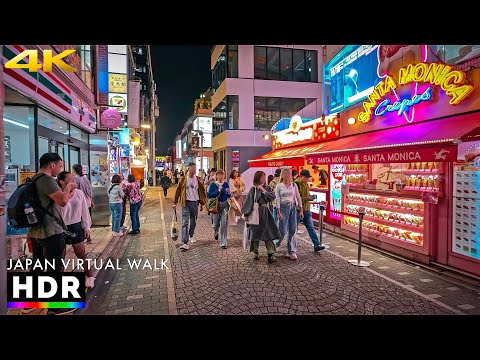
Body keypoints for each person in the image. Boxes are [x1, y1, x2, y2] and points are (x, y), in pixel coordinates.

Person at [27, 153, 76, 315]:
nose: (60, 169)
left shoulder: (34, 179)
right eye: (60, 166)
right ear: (52, 165)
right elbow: (62, 201)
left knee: (38, 267)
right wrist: (68, 188)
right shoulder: (47, 180)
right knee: (54, 268)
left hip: (35, 231)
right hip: (51, 231)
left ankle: (30, 304)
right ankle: (55, 308)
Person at [57, 171, 95, 288]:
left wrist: (87, 227)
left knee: (81, 254)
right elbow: (60, 209)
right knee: (60, 258)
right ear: (62, 181)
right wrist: (67, 191)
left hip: (75, 226)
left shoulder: (79, 193)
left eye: (74, 180)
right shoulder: (57, 195)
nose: (74, 183)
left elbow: (84, 210)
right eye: (71, 180)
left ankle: (90, 276)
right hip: (60, 227)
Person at [242, 171, 281, 264]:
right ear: (258, 178)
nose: (264, 178)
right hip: (256, 214)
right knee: (255, 234)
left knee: (268, 233)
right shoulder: (253, 189)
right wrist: (246, 214)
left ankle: (270, 254)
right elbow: (249, 202)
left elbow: (272, 197)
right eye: (263, 177)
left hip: (265, 213)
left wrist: (263, 190)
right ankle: (255, 252)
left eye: (265, 177)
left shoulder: (267, 188)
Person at [173, 162, 206, 250]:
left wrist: (202, 204)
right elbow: (178, 191)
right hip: (186, 203)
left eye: (195, 168)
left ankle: (191, 235)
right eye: (193, 169)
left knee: (193, 221)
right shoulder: (183, 179)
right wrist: (175, 202)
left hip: (195, 203)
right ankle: (185, 242)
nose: (195, 170)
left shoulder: (198, 179)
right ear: (189, 168)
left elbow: (201, 191)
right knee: (185, 222)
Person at [275, 169, 303, 260]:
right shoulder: (279, 186)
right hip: (283, 207)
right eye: (286, 175)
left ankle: (291, 250)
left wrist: (301, 209)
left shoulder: (294, 185)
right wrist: (278, 210)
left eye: (289, 175)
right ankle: (276, 243)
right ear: (282, 176)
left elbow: (298, 197)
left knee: (293, 229)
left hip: (293, 208)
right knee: (282, 230)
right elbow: (277, 199)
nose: (287, 176)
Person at [294, 169, 326, 252]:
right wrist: (307, 198)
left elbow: (306, 196)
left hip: (307, 209)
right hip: (298, 210)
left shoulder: (306, 184)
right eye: (306, 177)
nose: (308, 179)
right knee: (293, 229)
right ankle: (291, 247)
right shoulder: (296, 184)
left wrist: (309, 197)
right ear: (301, 177)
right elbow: (295, 198)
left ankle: (317, 244)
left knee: (311, 228)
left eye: (308, 177)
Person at [207, 170, 231, 249]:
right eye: (219, 175)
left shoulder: (226, 184)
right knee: (216, 223)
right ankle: (216, 231)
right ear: (216, 176)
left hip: (224, 205)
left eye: (222, 175)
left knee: (224, 224)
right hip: (215, 206)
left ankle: (223, 242)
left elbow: (228, 195)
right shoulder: (213, 184)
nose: (221, 177)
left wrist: (228, 193)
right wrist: (218, 191)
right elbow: (209, 195)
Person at [72, 164, 93, 243]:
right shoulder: (85, 179)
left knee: (81, 220)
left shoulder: (76, 179)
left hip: (80, 202)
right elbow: (90, 191)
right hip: (87, 202)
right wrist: (91, 201)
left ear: (74, 170)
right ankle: (88, 236)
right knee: (87, 218)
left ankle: (84, 237)